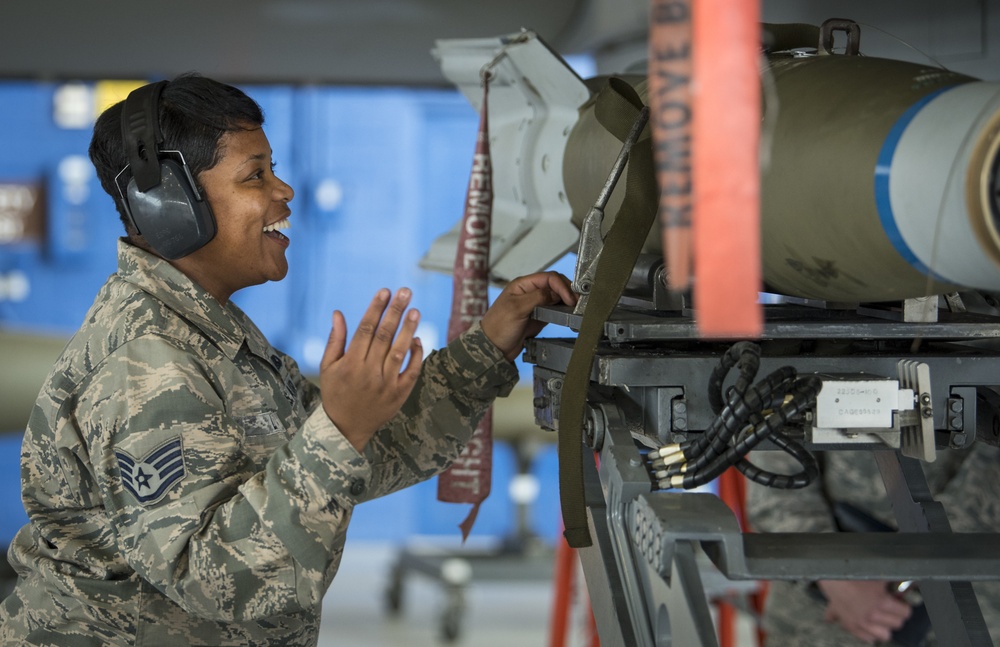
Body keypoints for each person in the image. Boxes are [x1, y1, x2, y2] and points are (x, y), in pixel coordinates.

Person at [0, 73, 577, 646]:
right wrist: (340, 427)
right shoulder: (148, 363)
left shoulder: (208, 333)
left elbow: (361, 451)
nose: (285, 191)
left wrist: (488, 346)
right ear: (170, 206)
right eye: (255, 175)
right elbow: (217, 579)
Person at [746, 441, 1000, 646]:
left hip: (971, 609)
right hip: (821, 613)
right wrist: (834, 575)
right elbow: (774, 463)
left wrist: (913, 560)